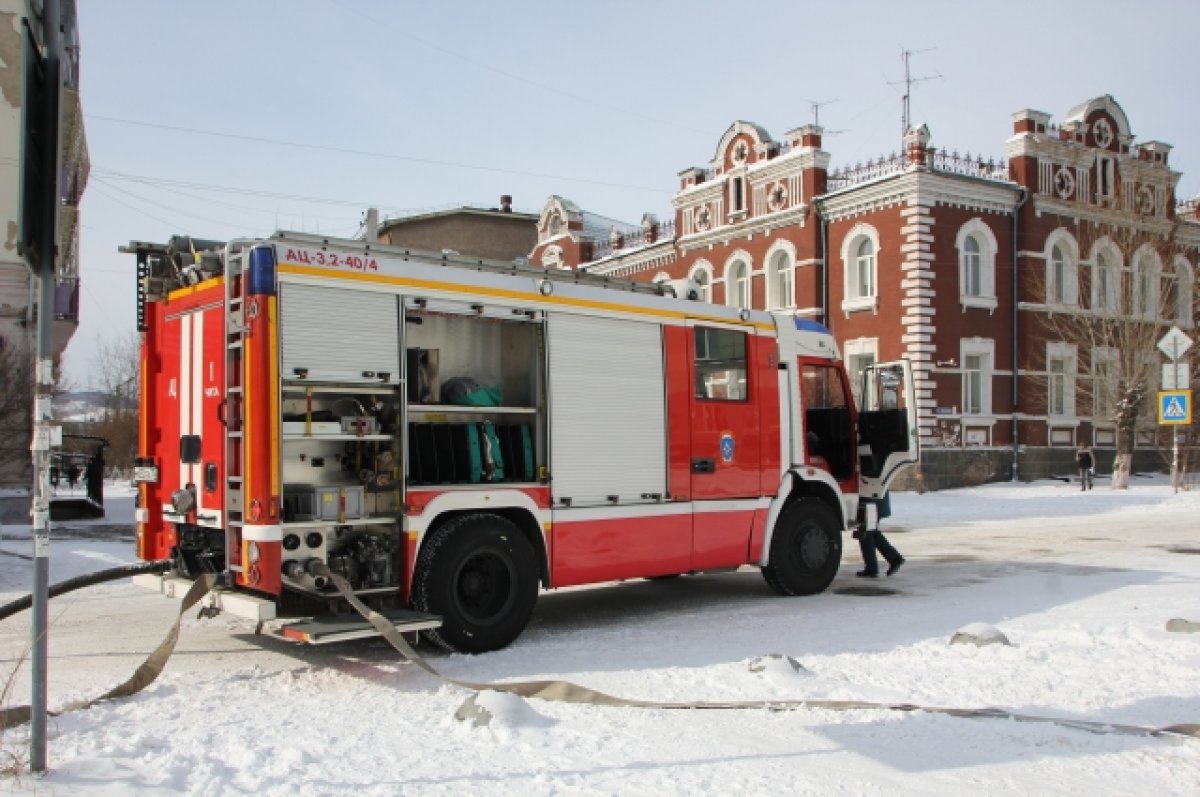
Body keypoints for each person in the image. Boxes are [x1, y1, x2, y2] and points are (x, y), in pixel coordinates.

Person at [856, 491, 905, 578]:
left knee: (866, 532)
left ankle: (872, 568)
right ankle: (894, 558)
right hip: (875, 500)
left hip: (871, 500)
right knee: (870, 531)